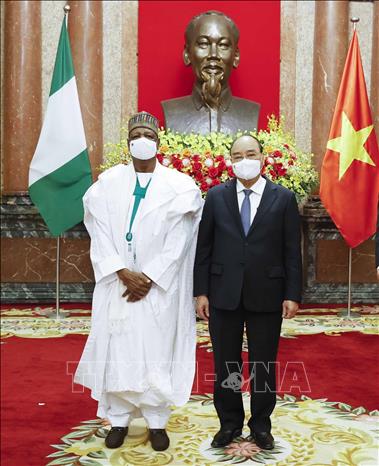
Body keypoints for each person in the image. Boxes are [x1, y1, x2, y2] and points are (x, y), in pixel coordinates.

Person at [74, 111, 202, 451]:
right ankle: (118, 419)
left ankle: (157, 421)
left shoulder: (179, 185)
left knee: (157, 350)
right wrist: (121, 272)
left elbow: (181, 239)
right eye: (137, 134)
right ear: (129, 141)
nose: (142, 140)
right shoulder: (107, 184)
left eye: (149, 134)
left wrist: (149, 276)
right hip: (118, 284)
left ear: (158, 142)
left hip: (159, 287)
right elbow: (98, 232)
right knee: (120, 349)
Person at [193, 134, 302, 450]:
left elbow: (291, 250)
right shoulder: (215, 197)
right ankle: (229, 423)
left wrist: (292, 294)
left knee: (263, 364)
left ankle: (261, 425)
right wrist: (201, 292)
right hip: (223, 292)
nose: (245, 160)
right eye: (238, 156)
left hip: (267, 292)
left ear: (263, 157)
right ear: (230, 161)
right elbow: (204, 248)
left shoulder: (282, 198)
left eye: (250, 154)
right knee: (226, 364)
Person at [161, 10, 260, 135]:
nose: (213, 55)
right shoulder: (172, 111)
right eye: (203, 44)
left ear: (236, 56)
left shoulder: (250, 112)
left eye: (223, 45)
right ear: (187, 54)